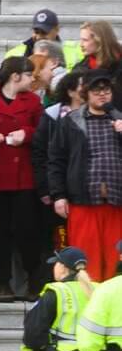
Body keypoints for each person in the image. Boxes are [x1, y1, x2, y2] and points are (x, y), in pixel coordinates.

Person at [0, 57, 44, 302]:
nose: (32, 79)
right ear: (15, 76)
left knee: (27, 230)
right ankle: (2, 282)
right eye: (29, 75)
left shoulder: (33, 101)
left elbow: (42, 132)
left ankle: (33, 280)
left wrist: (26, 134)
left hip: (23, 177)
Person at [49, 69, 122, 281]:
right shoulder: (70, 122)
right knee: (85, 262)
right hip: (83, 202)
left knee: (115, 262)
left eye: (106, 90)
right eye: (96, 90)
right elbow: (56, 160)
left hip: (117, 204)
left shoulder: (120, 120)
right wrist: (58, 195)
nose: (102, 94)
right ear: (86, 93)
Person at [32, 71, 84, 284]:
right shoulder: (53, 116)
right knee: (57, 239)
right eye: (83, 85)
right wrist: (47, 189)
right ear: (71, 91)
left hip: (83, 192)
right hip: (58, 191)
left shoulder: (100, 116)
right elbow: (41, 154)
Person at [4, 9, 83, 71]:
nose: (39, 37)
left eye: (44, 32)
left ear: (57, 30)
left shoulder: (75, 50)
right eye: (36, 32)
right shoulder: (14, 54)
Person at [75, 20, 122, 110]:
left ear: (99, 41)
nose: (81, 44)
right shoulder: (80, 68)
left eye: (85, 40)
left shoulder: (119, 67)